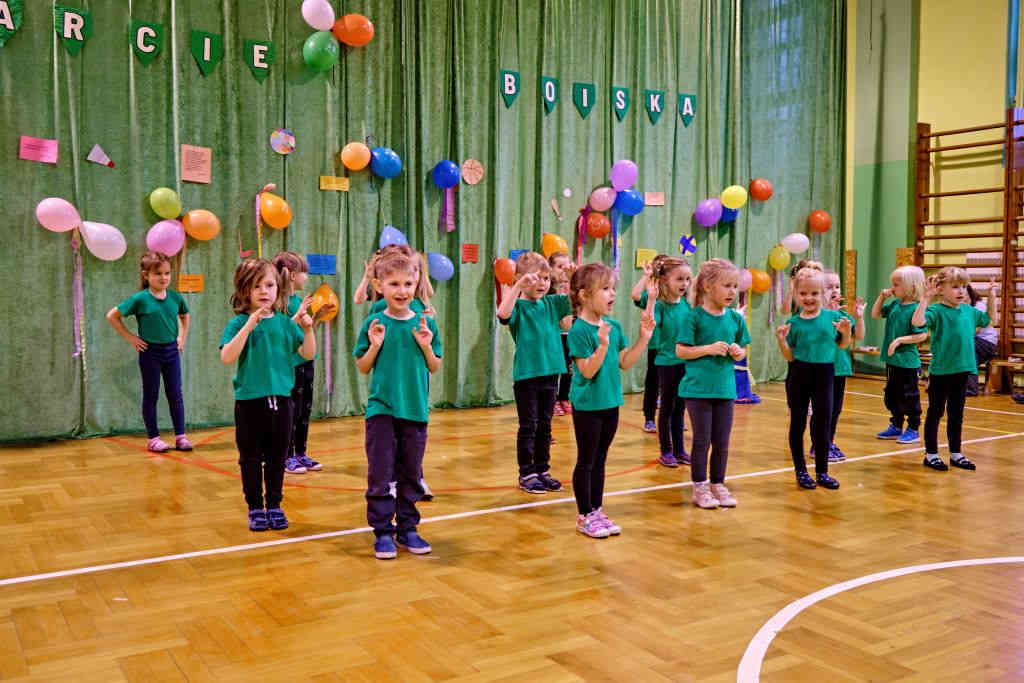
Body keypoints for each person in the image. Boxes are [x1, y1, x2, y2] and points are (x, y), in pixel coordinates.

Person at [353, 251, 442, 559]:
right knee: (380, 473)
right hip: (382, 410)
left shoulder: (424, 322)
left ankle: (408, 528)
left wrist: (427, 346)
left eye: (407, 283)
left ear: (416, 282)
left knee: (411, 473)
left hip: (415, 410)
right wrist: (375, 345)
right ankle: (382, 532)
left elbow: (435, 366)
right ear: (379, 285)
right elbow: (363, 367)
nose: (402, 290)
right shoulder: (374, 321)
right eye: (393, 284)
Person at [220, 259, 315, 531]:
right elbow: (227, 356)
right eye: (256, 285)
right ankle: (254, 507)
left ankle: (274, 504)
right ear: (244, 290)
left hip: (283, 402)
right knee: (250, 458)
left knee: (277, 458)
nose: (264, 291)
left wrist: (308, 329)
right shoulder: (238, 322)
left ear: (278, 288)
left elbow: (307, 354)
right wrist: (249, 325)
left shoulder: (285, 323)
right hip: (250, 402)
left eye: (270, 285)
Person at [568, 263, 654, 538]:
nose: (612, 294)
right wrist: (602, 345)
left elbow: (624, 363)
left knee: (601, 460)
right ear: (584, 295)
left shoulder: (613, 326)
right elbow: (587, 370)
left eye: (613, 288)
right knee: (587, 460)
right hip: (587, 406)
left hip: (610, 403)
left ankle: (597, 510)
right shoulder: (578, 330)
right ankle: (584, 516)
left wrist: (643, 339)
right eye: (605, 289)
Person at [676, 259, 749, 508]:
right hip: (697, 390)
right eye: (727, 285)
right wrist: (707, 349)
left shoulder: (735, 319)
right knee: (702, 439)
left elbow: (742, 349)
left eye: (735, 286)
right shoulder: (693, 317)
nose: (732, 291)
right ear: (707, 286)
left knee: (722, 440)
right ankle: (700, 487)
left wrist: (738, 352)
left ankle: (718, 483)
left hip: (725, 389)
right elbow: (681, 351)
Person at [496, 251, 570, 494]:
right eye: (535, 278)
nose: (541, 284)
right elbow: (502, 314)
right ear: (520, 278)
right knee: (529, 425)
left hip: (551, 373)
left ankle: (542, 469)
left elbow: (577, 300)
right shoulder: (517, 306)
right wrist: (517, 285)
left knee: (545, 426)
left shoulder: (551, 303)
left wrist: (569, 276)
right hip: (527, 376)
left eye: (546, 278)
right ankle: (526, 473)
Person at [106, 251, 192, 453]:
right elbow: (112, 316)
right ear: (146, 275)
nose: (164, 278)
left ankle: (181, 436)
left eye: (167, 273)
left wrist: (181, 337)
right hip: (150, 352)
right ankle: (153, 438)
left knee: (175, 394)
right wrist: (131, 338)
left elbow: (185, 316)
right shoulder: (140, 299)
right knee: (151, 394)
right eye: (158, 274)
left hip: (171, 351)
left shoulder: (175, 297)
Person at [775, 267, 852, 490]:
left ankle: (822, 471)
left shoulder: (833, 318)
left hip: (825, 374)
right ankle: (800, 470)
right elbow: (790, 356)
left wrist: (846, 332)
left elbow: (842, 346)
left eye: (814, 293)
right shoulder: (795, 323)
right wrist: (781, 341)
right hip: (799, 374)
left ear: (823, 294)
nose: (809, 298)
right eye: (804, 294)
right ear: (797, 295)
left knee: (822, 423)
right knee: (798, 423)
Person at [912, 267, 990, 471]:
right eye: (955, 286)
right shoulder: (936, 311)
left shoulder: (969, 311)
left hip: (962, 370)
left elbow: (991, 320)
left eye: (964, 287)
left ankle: (956, 453)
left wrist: (992, 295)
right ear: (941, 288)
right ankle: (931, 455)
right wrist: (926, 298)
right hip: (941, 372)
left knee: (957, 414)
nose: (961, 291)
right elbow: (917, 322)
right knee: (935, 413)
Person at [273, 251, 328, 474]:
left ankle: (300, 453)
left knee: (304, 410)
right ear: (293, 275)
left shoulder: (298, 301)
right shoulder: (279, 303)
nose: (307, 277)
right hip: (290, 365)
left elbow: (303, 333)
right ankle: (286, 456)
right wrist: (298, 319)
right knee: (290, 413)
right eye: (304, 273)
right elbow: (283, 334)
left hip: (307, 362)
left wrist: (314, 318)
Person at [810, 270, 866, 462]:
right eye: (829, 287)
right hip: (822, 369)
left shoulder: (842, 315)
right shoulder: (817, 315)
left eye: (837, 286)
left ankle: (828, 441)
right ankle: (817, 445)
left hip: (840, 370)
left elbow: (858, 336)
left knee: (835, 410)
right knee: (822, 410)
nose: (834, 290)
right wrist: (828, 313)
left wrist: (858, 318)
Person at [870, 265, 928, 443]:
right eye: (892, 284)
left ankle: (913, 428)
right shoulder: (895, 304)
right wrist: (881, 297)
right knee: (892, 395)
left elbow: (922, 335)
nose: (892, 288)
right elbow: (875, 314)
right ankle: (896, 425)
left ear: (911, 286)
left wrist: (899, 340)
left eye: (897, 284)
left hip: (907, 362)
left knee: (909, 396)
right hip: (892, 361)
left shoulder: (916, 309)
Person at [650, 256, 692, 467]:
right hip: (667, 363)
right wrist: (650, 299)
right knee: (667, 407)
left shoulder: (687, 305)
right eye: (679, 279)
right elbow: (651, 322)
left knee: (680, 408)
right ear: (666, 280)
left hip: (686, 362)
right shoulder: (660, 306)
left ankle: (680, 449)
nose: (684, 284)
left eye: (687, 279)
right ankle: (665, 450)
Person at [630, 256, 665, 432]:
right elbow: (635, 295)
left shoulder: (678, 296)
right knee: (653, 382)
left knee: (675, 385)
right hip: (657, 345)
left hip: (676, 347)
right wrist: (646, 276)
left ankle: (674, 419)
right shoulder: (654, 293)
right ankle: (649, 418)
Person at [547, 251, 575, 416]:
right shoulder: (547, 290)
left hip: (567, 336)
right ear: (550, 268)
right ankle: (553, 400)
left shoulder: (570, 289)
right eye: (559, 267)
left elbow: (569, 322)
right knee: (554, 370)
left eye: (566, 266)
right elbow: (562, 321)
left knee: (568, 369)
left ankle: (564, 398)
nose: (563, 270)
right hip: (553, 337)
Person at [965, 280, 999, 397]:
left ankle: (970, 388)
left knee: (966, 348)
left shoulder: (978, 306)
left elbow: (977, 329)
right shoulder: (957, 307)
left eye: (965, 294)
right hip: (972, 341)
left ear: (970, 295)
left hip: (986, 343)